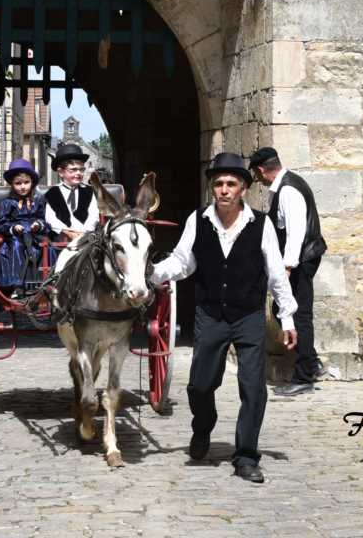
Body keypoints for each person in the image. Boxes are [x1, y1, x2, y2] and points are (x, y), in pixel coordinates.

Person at [152, 152, 297, 483]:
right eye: (218, 184)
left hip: (248, 315)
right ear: (212, 189)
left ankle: (246, 456)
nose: (224, 189)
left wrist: (287, 317)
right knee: (200, 386)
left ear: (244, 188)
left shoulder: (261, 224)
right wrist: (151, 274)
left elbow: (276, 274)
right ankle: (203, 427)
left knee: (253, 387)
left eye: (231, 183)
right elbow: (182, 263)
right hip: (211, 314)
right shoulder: (198, 220)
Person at [249, 146, 328, 396]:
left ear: (261, 170)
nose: (257, 180)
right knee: (282, 310)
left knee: (299, 315)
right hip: (301, 259)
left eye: (256, 175)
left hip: (301, 260)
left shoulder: (288, 190)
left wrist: (288, 267)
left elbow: (296, 233)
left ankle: (305, 376)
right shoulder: (286, 185)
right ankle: (312, 363)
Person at [0, 159, 50, 294]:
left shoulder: (38, 201)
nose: (23, 187)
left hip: (34, 235)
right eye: (18, 183)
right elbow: (0, 224)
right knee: (18, 245)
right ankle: (17, 284)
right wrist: (13, 228)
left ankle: (46, 281)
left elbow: (44, 220)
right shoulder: (7, 203)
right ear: (12, 185)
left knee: (47, 247)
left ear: (32, 183)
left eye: (26, 183)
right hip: (15, 238)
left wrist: (39, 225)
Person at [44, 143, 99, 241]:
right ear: (61, 172)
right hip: (61, 236)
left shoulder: (89, 191)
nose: (78, 173)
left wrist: (84, 232)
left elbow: (93, 215)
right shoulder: (52, 193)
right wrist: (67, 232)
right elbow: (50, 218)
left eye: (81, 170)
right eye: (73, 170)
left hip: (86, 236)